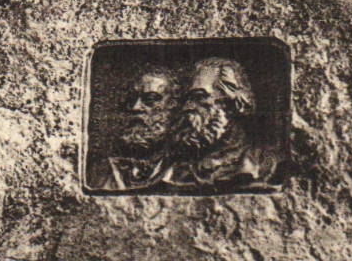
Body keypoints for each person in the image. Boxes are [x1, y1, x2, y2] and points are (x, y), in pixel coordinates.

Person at [162, 56, 283, 191]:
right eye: (188, 98)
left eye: (199, 96)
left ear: (232, 103)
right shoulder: (179, 169)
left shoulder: (261, 161)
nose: (188, 106)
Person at [85, 64, 178, 191]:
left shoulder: (180, 173)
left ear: (172, 105)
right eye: (131, 99)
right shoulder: (102, 172)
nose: (135, 107)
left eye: (150, 99)